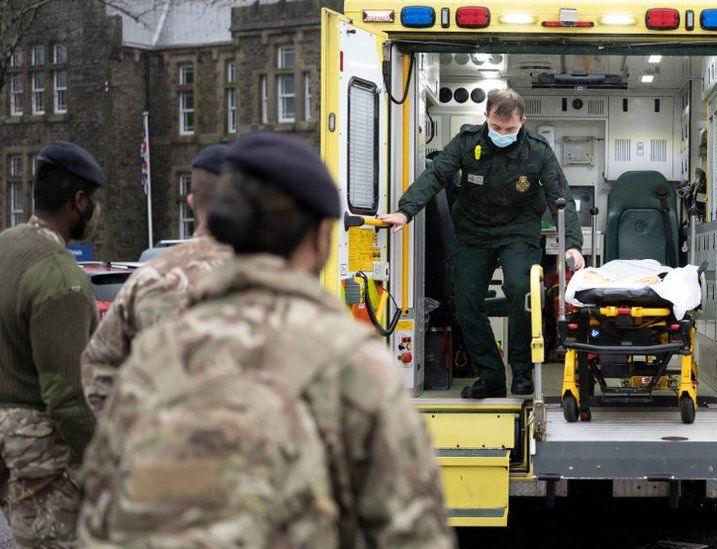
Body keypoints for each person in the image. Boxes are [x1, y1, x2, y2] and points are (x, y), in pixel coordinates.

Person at [79, 133, 455, 548]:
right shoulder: (349, 358)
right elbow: (411, 530)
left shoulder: (155, 354)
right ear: (321, 240)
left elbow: (102, 506)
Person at [380, 89, 585, 399]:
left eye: (510, 129)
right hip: (474, 233)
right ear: (486, 117)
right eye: (496, 127)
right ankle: (490, 375)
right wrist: (405, 210)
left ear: (522, 122)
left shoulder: (538, 151)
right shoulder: (467, 143)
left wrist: (571, 243)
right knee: (464, 303)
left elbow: (561, 197)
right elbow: (436, 173)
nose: (503, 134)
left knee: (522, 291)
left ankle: (521, 371)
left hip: (518, 232)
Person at [0, 141, 103, 547]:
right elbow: (67, 397)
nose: (96, 211)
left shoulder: (5, 246)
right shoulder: (61, 276)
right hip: (39, 450)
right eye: (94, 201)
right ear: (78, 202)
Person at [81, 143, 232, 414]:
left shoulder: (151, 278)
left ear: (192, 202)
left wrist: (126, 437)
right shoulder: (277, 281)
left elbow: (98, 368)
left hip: (160, 446)